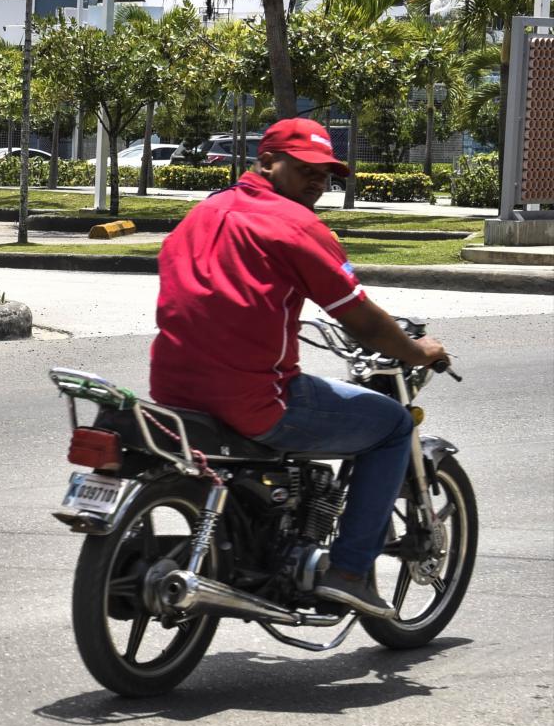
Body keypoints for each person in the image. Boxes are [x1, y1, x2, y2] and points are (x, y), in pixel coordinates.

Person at [150, 117, 449, 618]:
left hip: (174, 389)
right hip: (255, 400)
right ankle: (350, 572)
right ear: (266, 162)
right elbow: (364, 323)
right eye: (306, 169)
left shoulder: (204, 213)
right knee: (393, 426)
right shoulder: (297, 227)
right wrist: (419, 351)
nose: (318, 182)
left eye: (326, 174)